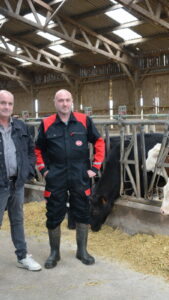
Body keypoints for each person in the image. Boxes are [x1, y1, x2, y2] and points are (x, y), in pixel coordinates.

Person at [35, 89, 105, 269]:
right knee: (53, 213)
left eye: (67, 100)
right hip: (56, 176)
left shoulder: (83, 120)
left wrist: (95, 167)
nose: (64, 104)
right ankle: (54, 253)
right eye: (60, 100)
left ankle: (82, 251)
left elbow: (98, 141)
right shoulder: (47, 123)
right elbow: (38, 149)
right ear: (54, 102)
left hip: (79, 174)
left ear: (72, 101)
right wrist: (44, 170)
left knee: (82, 211)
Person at [0, 90, 41, 271]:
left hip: (16, 183)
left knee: (17, 220)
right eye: (2, 103)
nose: (6, 107)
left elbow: (31, 150)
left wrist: (28, 171)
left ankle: (23, 256)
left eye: (9, 103)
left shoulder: (21, 126)